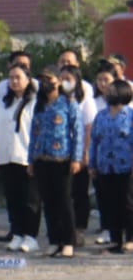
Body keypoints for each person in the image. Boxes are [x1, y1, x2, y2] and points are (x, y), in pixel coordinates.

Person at [29, 66, 84, 258]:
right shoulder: (40, 104)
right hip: (42, 158)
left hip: (62, 159)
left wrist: (76, 158)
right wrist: (31, 160)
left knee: (64, 201)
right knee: (49, 201)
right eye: (42, 80)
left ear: (58, 81)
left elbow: (77, 132)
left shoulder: (68, 102)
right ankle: (54, 240)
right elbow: (33, 133)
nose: (45, 83)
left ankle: (68, 241)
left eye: (49, 79)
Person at [0, 64, 41, 253]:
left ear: (28, 80)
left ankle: (31, 236)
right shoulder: (5, 102)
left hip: (25, 156)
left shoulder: (35, 102)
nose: (14, 81)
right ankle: (18, 233)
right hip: (7, 156)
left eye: (18, 77)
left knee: (30, 199)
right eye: (11, 77)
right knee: (13, 198)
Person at [89, 79, 133, 253]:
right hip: (105, 167)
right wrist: (92, 164)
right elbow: (94, 141)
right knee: (110, 204)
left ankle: (130, 238)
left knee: (128, 203)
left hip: (126, 167)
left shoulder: (130, 116)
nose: (108, 93)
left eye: (113, 91)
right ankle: (115, 239)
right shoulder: (101, 116)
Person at [59, 65, 95, 245]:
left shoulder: (85, 101)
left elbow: (88, 129)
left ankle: (80, 228)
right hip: (60, 154)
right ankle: (64, 229)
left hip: (78, 152)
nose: (64, 82)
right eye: (62, 78)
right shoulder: (55, 101)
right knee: (65, 193)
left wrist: (85, 152)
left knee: (80, 192)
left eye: (69, 79)